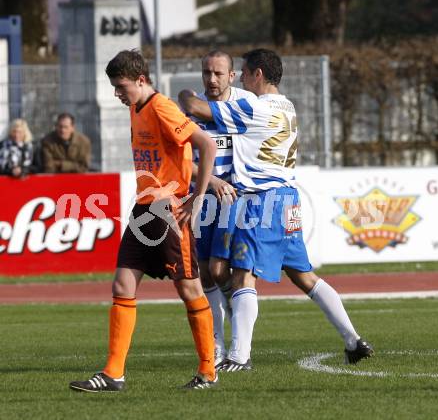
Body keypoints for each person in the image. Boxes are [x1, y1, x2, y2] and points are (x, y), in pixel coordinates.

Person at [179, 48, 373, 372]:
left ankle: (239, 356)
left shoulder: (254, 107)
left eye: (243, 71)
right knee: (304, 276)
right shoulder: (288, 106)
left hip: (261, 200)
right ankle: (353, 341)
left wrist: (185, 93)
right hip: (288, 199)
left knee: (243, 276)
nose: (239, 77)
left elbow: (194, 106)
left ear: (257, 74)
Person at [69, 49, 217, 392]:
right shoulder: (137, 109)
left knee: (189, 288)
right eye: (114, 87)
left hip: (167, 210)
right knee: (122, 285)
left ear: (140, 80)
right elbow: (176, 155)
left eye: (121, 86)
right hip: (143, 210)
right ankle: (113, 373)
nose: (117, 93)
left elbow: (206, 145)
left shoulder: (162, 107)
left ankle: (208, 371)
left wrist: (198, 195)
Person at [187, 50, 256, 367]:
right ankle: (215, 344)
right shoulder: (190, 113)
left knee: (218, 269)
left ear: (232, 76)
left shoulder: (245, 105)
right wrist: (211, 181)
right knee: (203, 274)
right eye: (206, 73)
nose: (211, 79)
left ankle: (236, 320)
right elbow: (181, 162)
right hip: (202, 197)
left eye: (218, 73)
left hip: (234, 199)